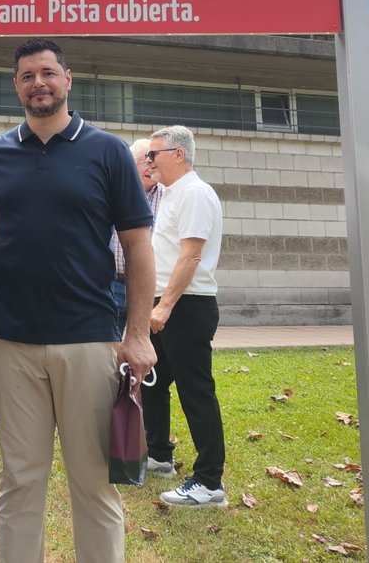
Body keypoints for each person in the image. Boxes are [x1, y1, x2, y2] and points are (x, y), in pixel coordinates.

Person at [0, 38, 157, 563]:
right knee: (20, 481)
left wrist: (136, 334)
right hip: (11, 343)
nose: (39, 84)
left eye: (48, 73)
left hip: (89, 339)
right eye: (27, 76)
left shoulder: (108, 151)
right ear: (16, 86)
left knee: (94, 484)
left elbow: (140, 247)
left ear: (67, 79)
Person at [141, 125, 228, 508]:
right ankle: (159, 456)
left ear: (178, 154)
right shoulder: (172, 195)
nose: (148, 162)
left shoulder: (195, 193)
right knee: (153, 384)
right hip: (166, 302)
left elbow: (190, 255)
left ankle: (210, 482)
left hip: (186, 306)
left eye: (153, 155)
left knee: (195, 391)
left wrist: (164, 306)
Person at [110, 137, 163, 335]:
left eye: (153, 161)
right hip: (114, 283)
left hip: (148, 286)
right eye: (144, 161)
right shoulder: (115, 193)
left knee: (142, 344)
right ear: (130, 165)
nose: (150, 167)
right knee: (111, 346)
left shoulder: (168, 196)